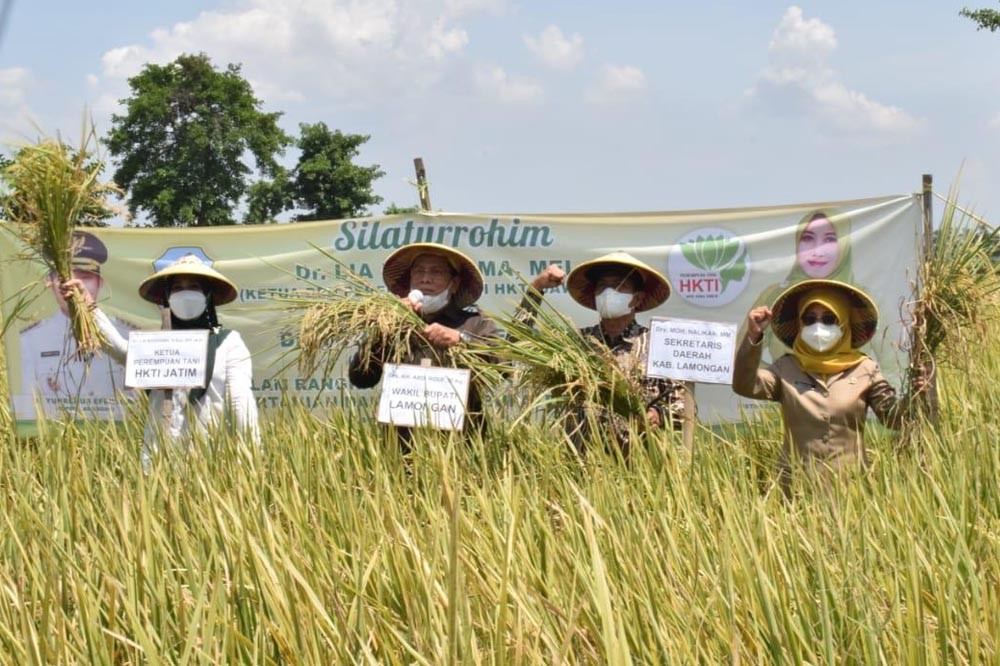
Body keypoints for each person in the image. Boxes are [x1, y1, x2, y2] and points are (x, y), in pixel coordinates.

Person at [63, 254, 259, 462]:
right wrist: (88, 306)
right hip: (158, 462)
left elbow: (240, 402)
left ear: (207, 295)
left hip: (210, 462)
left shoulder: (228, 343)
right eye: (177, 288)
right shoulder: (158, 347)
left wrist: (251, 457)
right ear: (166, 297)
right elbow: (119, 350)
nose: (185, 293)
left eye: (193, 287)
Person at [733, 278, 915, 490]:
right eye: (810, 319)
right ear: (800, 324)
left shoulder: (865, 369)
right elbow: (745, 385)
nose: (818, 326)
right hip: (797, 489)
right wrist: (753, 337)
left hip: (852, 489)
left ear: (844, 323)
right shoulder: (786, 368)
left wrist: (919, 391)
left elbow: (895, 418)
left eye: (829, 319)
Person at [523, 252, 686, 453]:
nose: (608, 292)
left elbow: (683, 409)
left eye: (619, 286)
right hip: (582, 466)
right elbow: (520, 341)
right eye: (602, 287)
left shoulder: (658, 344)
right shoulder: (577, 343)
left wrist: (657, 415)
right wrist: (536, 288)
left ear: (638, 298)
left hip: (641, 463)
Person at [348, 243, 498, 449]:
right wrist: (386, 327)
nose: (425, 278)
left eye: (436, 272)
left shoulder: (475, 322)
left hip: (461, 448)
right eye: (419, 271)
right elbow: (361, 378)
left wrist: (461, 340)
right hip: (400, 450)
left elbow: (500, 369)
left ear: (454, 283)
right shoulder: (392, 326)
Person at [17, 230, 135, 420]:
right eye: (64, 279)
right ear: (49, 282)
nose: (73, 287)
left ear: (99, 282)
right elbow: (28, 410)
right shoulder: (30, 341)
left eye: (84, 277)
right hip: (57, 442)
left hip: (117, 442)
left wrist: (89, 309)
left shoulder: (127, 336)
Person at [750, 209, 855, 363]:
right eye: (808, 238)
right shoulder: (775, 296)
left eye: (830, 239)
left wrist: (854, 380)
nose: (817, 252)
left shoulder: (862, 301)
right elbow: (740, 360)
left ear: (844, 246)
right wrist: (782, 379)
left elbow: (894, 366)